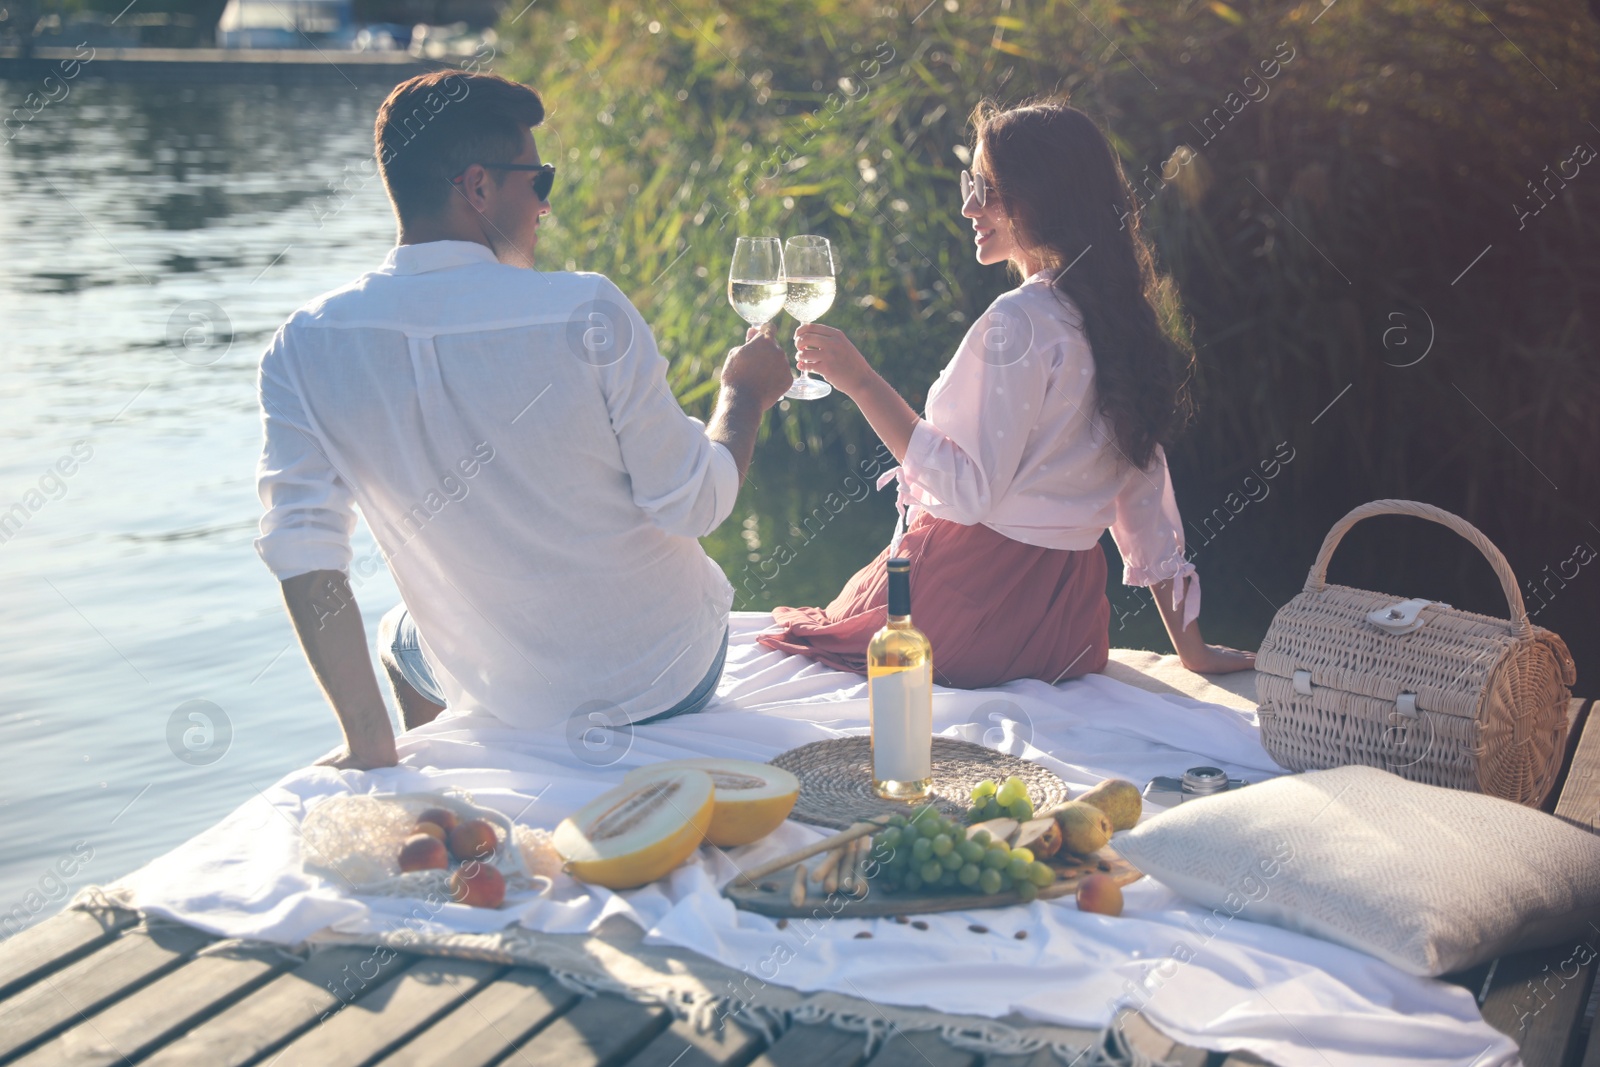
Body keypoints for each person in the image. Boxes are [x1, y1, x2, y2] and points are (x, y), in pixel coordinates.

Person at [254, 72, 793, 769]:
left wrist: (367, 744)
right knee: (409, 629)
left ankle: (428, 761)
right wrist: (743, 396)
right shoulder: (586, 310)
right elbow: (693, 503)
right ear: (478, 187)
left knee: (400, 634)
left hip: (503, 694)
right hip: (665, 678)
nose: (545, 206)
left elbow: (305, 547)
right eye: (538, 181)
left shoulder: (305, 345)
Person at [757, 99, 1254, 688]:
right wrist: (1191, 649)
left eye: (989, 188)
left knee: (793, 639)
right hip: (1067, 633)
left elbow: (967, 496)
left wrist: (860, 381)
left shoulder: (1018, 320)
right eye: (973, 184)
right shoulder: (1121, 318)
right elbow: (1143, 495)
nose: (969, 205)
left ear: (1046, 197)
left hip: (967, 617)